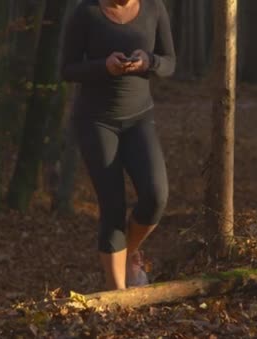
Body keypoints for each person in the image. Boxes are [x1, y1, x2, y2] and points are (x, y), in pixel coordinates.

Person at [61, 0, 176, 290]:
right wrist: (104, 67)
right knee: (112, 207)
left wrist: (149, 62)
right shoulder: (85, 12)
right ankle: (118, 296)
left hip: (139, 119)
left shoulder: (154, 8)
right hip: (96, 122)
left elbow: (170, 62)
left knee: (156, 196)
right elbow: (67, 68)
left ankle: (128, 252)